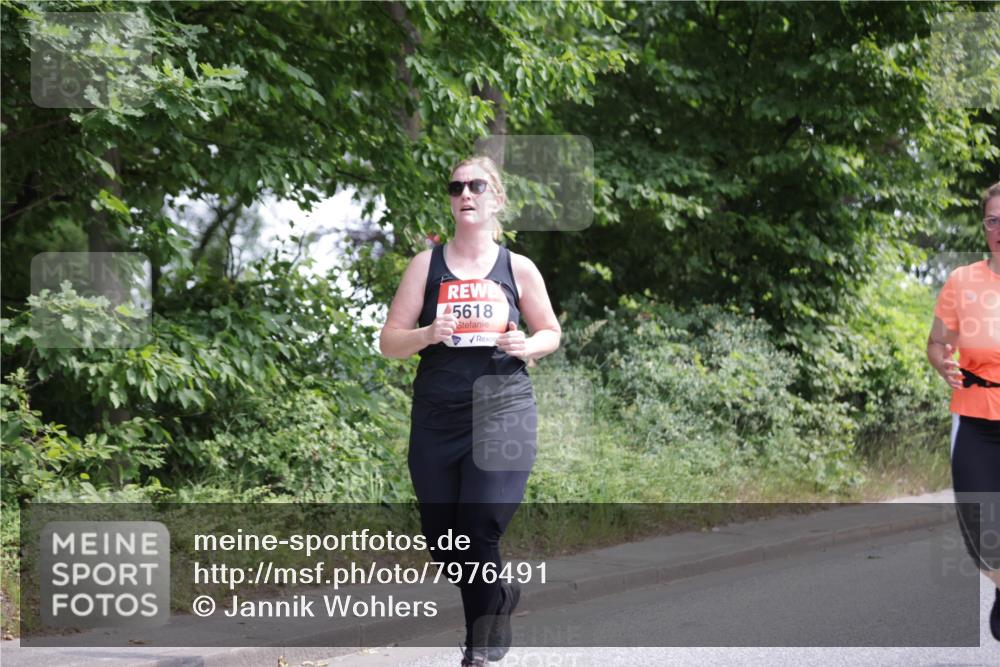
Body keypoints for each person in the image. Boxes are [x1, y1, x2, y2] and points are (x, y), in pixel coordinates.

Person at [379, 155, 561, 665]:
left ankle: (478, 648)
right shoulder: (426, 265)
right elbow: (389, 342)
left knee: (479, 526)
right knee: (445, 542)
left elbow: (551, 331)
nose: (465, 194)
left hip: (503, 407)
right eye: (456, 186)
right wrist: (426, 334)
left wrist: (529, 346)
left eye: (476, 186)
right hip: (438, 414)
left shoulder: (517, 268)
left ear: (495, 198)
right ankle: (499, 597)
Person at [927, 180, 1000, 642]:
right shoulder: (962, 281)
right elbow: (937, 344)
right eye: (994, 220)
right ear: (985, 227)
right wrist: (944, 365)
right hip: (974, 418)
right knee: (981, 529)